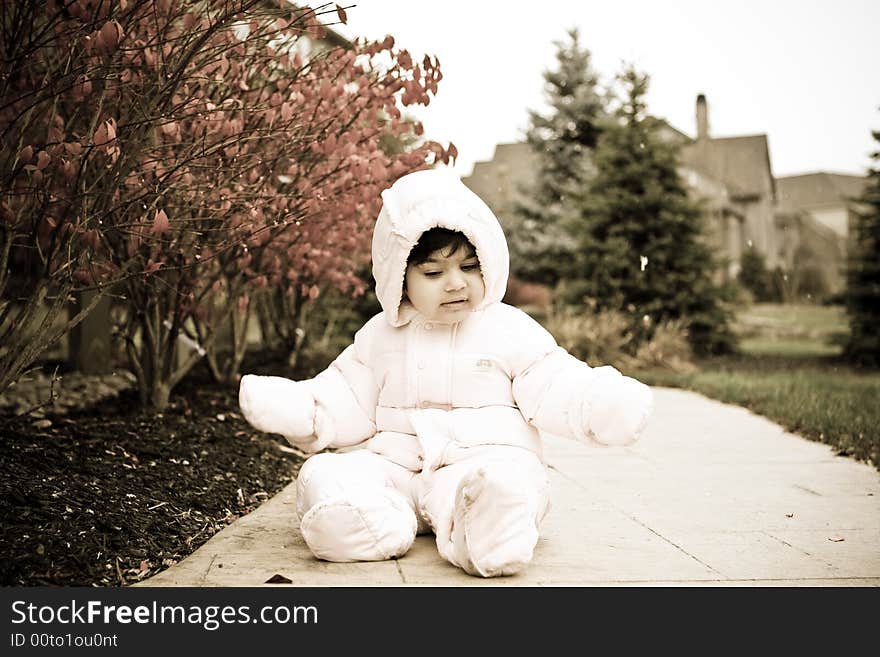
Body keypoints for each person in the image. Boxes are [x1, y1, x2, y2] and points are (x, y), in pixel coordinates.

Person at [238, 168, 654, 578]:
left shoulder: (507, 328)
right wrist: (306, 409)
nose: (456, 283)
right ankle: (362, 521)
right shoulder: (381, 335)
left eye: (469, 267)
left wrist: (597, 402)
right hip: (395, 469)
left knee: (504, 482)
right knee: (329, 473)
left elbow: (552, 381)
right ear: (399, 277)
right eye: (434, 273)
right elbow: (348, 393)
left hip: (479, 461)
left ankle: (489, 529)